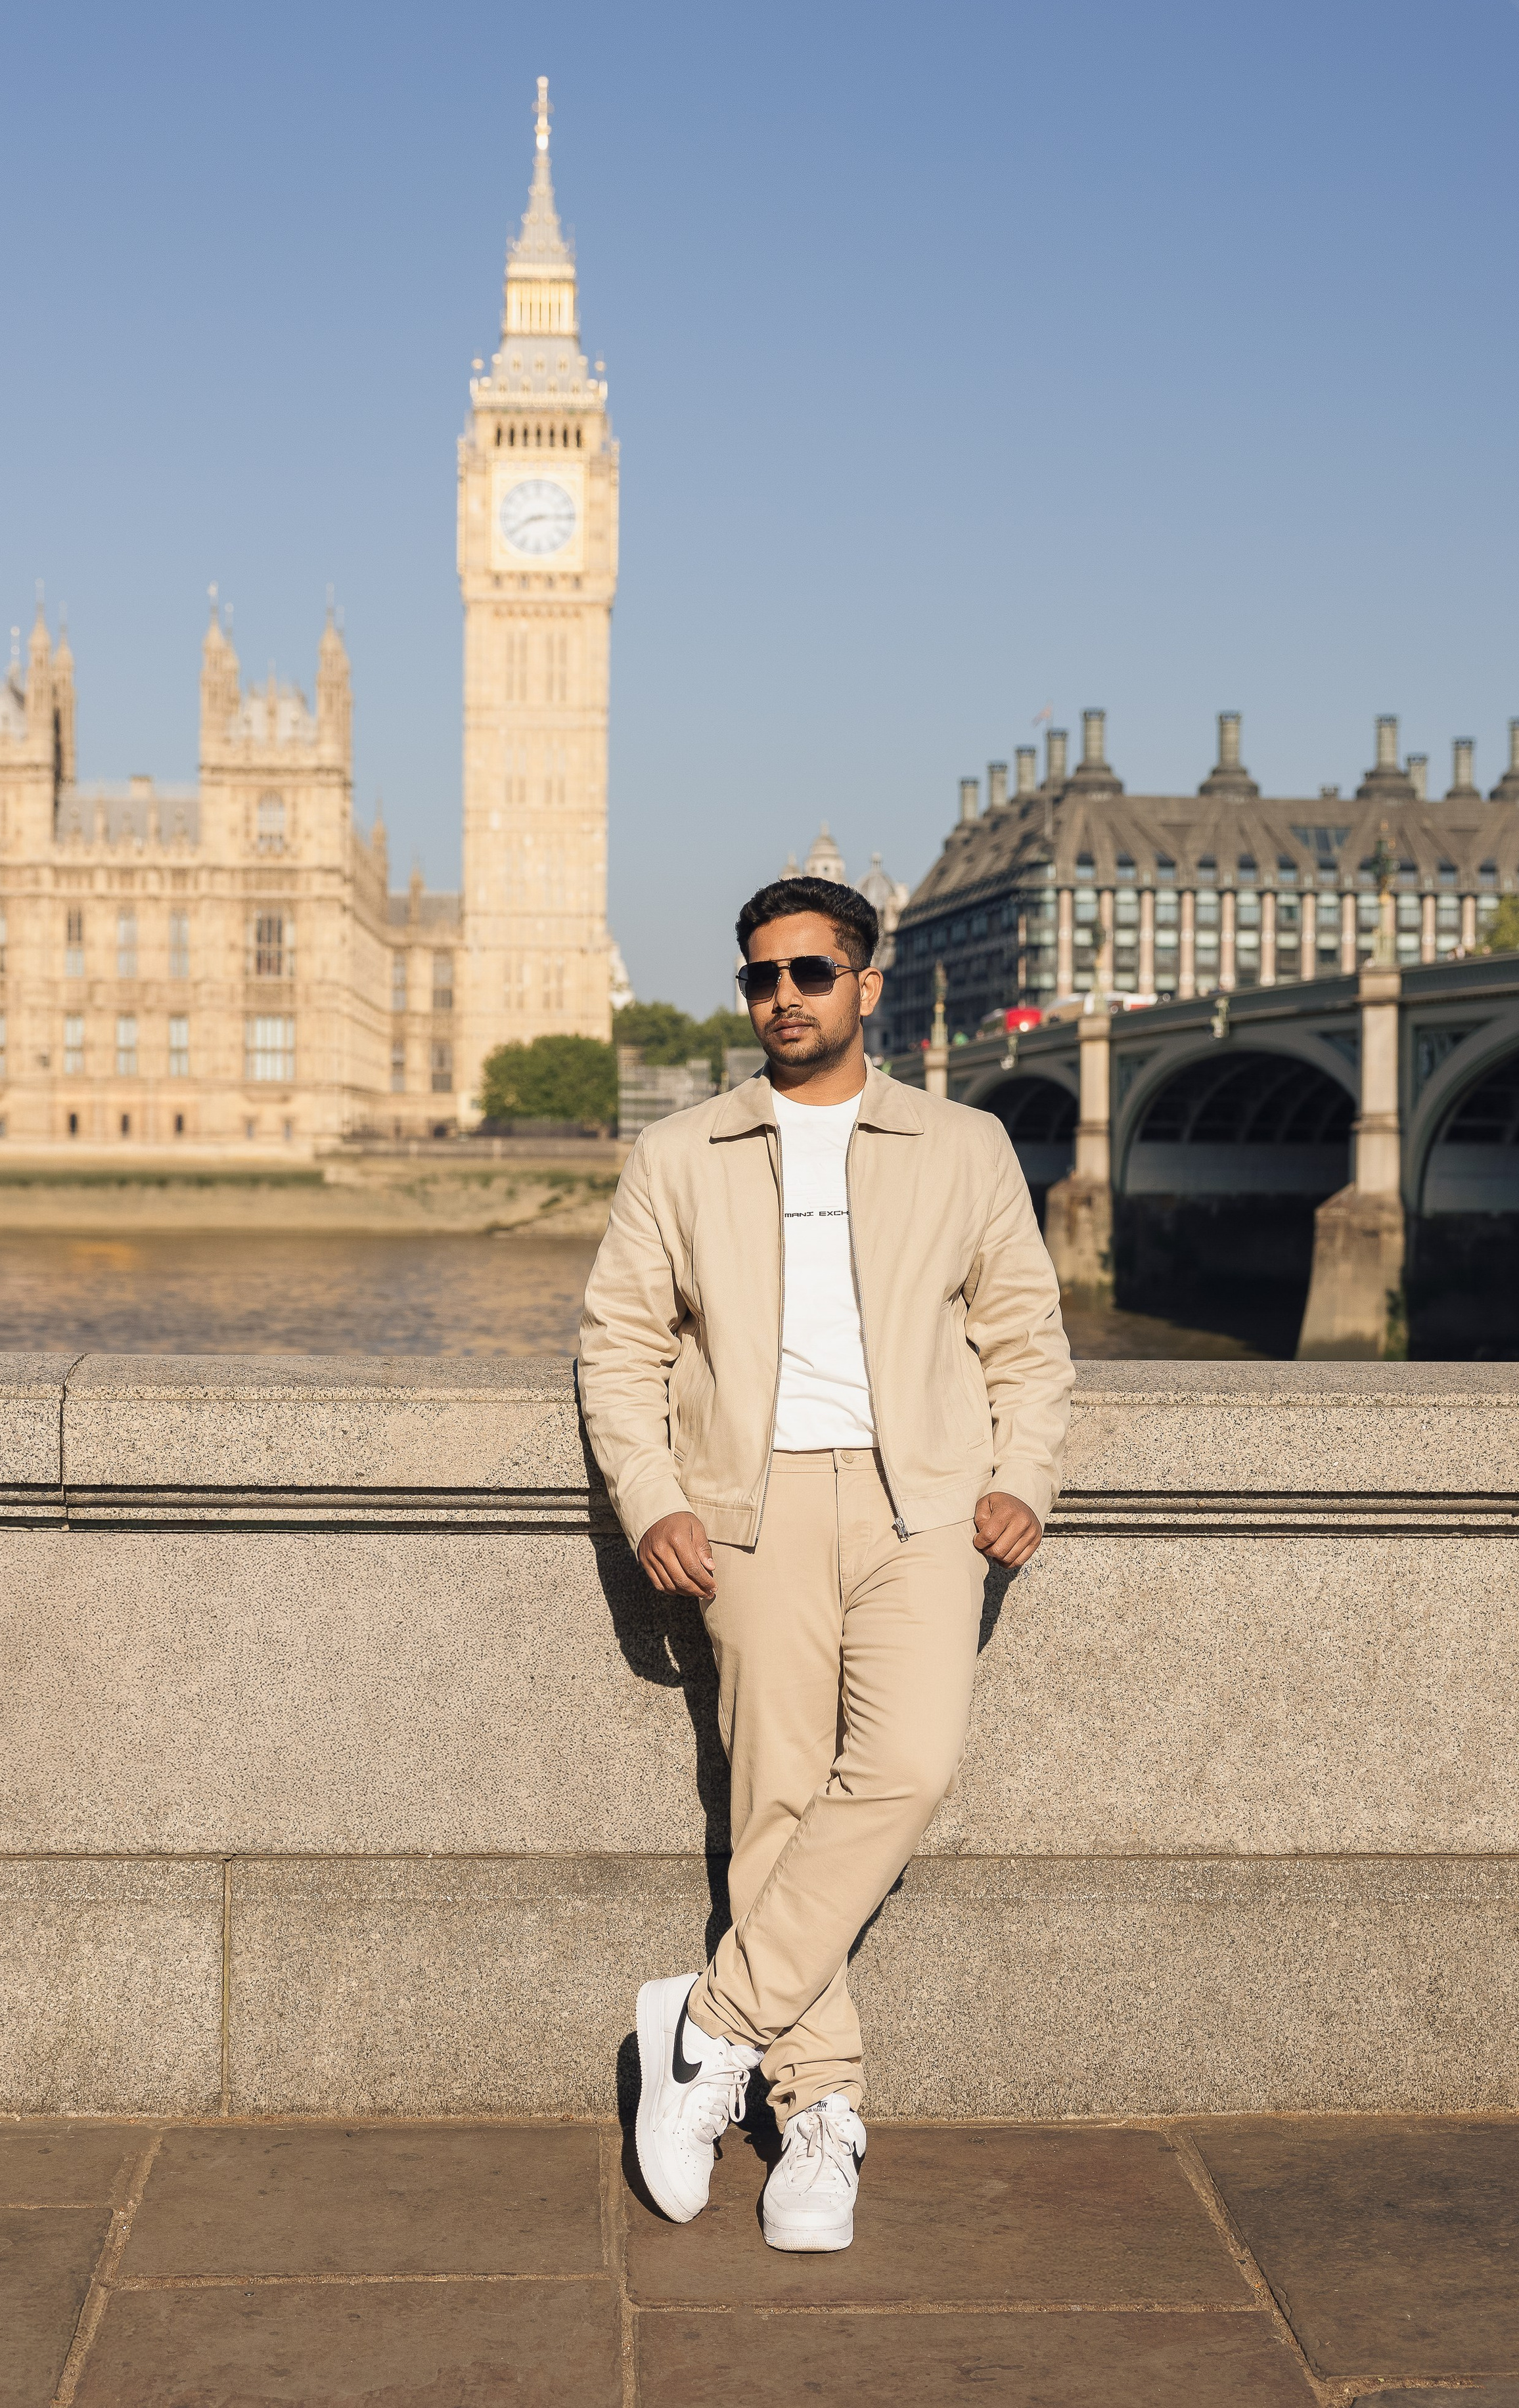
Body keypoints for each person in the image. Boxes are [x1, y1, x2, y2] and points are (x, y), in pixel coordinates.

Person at [578, 874, 1073, 2250]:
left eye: (807, 973)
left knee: (909, 1765)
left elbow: (1025, 1341)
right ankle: (816, 2116)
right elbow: (616, 1346)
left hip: (923, 1506)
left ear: (865, 984)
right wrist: (650, 1498)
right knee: (779, 1802)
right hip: (748, 1509)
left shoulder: (962, 1144)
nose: (780, 998)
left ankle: (708, 2024)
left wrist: (1019, 1476)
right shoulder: (681, 1153)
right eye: (759, 978)